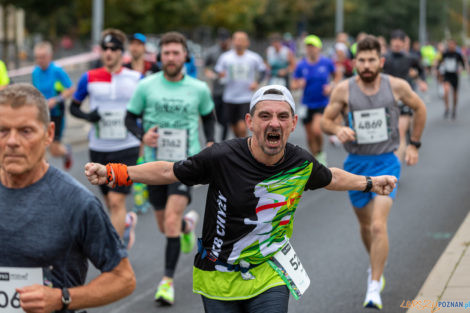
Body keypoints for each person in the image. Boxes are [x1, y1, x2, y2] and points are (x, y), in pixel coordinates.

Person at [85, 84, 397, 313]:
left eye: (281, 116)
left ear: (291, 124)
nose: (273, 123)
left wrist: (371, 183)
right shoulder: (221, 156)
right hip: (218, 274)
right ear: (250, 122)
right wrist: (115, 172)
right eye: (265, 116)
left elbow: (332, 177)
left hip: (269, 269)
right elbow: (169, 171)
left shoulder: (300, 163)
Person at [0, 83, 136, 313]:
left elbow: (123, 279)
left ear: (49, 134)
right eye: (3, 130)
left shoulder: (76, 202)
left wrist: (62, 298)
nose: (12, 141)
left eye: (26, 131)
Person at [321, 35, 427, 310]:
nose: (366, 65)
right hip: (356, 165)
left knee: (379, 225)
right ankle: (376, 262)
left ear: (380, 61)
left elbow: (420, 108)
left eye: (371, 60)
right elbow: (325, 121)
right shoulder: (344, 90)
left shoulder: (397, 86)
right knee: (366, 226)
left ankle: (373, 285)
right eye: (361, 60)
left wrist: (414, 144)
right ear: (354, 62)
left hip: (386, 162)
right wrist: (337, 129)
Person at [125, 31, 215, 305]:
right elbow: (130, 118)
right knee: (166, 226)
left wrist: (210, 142)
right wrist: (143, 136)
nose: (172, 58)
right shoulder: (146, 86)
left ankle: (166, 283)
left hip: (185, 163)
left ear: (185, 55)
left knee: (171, 220)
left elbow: (208, 116)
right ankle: (189, 226)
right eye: (167, 53)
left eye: (176, 53)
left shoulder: (198, 88)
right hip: (154, 164)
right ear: (160, 56)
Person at [70, 28, 141, 249]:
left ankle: (115, 255)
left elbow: (146, 110)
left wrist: (142, 136)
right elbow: (74, 107)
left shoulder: (136, 78)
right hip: (98, 146)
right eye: (105, 49)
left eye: (113, 49)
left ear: (122, 52)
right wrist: (87, 116)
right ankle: (126, 223)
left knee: (117, 200)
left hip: (127, 145)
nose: (108, 53)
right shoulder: (89, 78)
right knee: (110, 201)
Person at [291, 34, 341, 165]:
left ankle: (320, 153)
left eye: (313, 46)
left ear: (319, 48)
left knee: (317, 130)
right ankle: (316, 159)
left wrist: (331, 86)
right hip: (306, 104)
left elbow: (337, 75)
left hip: (321, 103)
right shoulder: (301, 65)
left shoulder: (326, 62)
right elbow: (293, 84)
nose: (310, 49)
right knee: (309, 135)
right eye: (308, 46)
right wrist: (298, 84)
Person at [382, 30, 427, 162]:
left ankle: (394, 171)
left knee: (400, 134)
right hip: (386, 99)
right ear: (391, 42)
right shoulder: (384, 58)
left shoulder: (410, 58)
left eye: (399, 40)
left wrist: (422, 81)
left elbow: (421, 70)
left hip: (404, 98)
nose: (396, 43)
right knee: (387, 135)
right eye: (394, 40)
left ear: (403, 42)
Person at [215, 31, 266, 138]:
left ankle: (244, 148)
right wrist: (220, 74)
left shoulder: (253, 57)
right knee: (234, 126)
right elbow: (218, 71)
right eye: (237, 40)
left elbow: (263, 71)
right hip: (229, 97)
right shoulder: (225, 57)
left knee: (242, 126)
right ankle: (240, 145)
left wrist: (256, 82)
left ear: (247, 43)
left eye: (242, 40)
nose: (239, 43)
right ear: (233, 42)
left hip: (246, 98)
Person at [32, 41, 74, 170]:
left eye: (43, 57)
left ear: (49, 57)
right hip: (41, 113)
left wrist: (57, 99)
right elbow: (34, 91)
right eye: (38, 57)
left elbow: (71, 89)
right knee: (39, 146)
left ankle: (66, 151)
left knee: (55, 150)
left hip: (56, 112)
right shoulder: (35, 72)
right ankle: (42, 176)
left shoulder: (57, 71)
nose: (40, 60)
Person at [204, 28, 231, 141]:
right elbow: (205, 67)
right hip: (217, 90)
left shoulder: (233, 53)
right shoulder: (213, 52)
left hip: (230, 91)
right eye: (221, 40)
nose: (223, 43)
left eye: (225, 40)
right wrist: (212, 75)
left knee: (226, 119)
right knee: (218, 117)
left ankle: (223, 141)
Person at [437, 39, 467, 119]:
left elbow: (463, 65)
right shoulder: (445, 54)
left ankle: (454, 109)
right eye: (450, 44)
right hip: (447, 75)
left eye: (453, 44)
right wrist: (439, 70)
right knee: (446, 91)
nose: (451, 46)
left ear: (455, 45)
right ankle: (447, 108)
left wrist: (461, 69)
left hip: (454, 75)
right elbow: (439, 63)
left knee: (455, 95)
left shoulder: (458, 54)